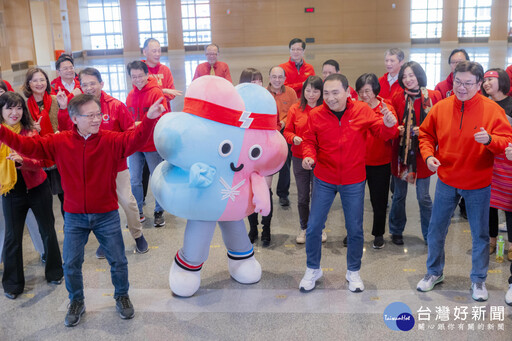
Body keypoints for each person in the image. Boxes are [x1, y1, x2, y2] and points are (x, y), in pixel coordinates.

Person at [0, 93, 166, 326]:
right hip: (75, 216)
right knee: (71, 263)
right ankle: (76, 301)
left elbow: (135, 139)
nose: (97, 119)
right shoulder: (59, 142)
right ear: (75, 118)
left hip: (106, 214)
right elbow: (27, 145)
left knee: (118, 261)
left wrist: (149, 118)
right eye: (91, 116)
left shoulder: (110, 140)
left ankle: (122, 296)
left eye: (98, 114)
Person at [417, 61, 512, 302]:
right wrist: (428, 156)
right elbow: (426, 134)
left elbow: (505, 141)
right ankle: (433, 272)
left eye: (468, 83)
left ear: (479, 84)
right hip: (447, 179)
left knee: (480, 234)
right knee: (436, 229)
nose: (462, 87)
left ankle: (478, 280)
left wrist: (490, 139)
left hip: (479, 182)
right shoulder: (441, 107)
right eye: (458, 82)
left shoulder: (492, 110)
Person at [299, 73, 397, 293]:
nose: (330, 98)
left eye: (335, 93)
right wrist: (309, 156)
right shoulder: (316, 114)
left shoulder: (361, 110)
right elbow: (308, 140)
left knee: (354, 229)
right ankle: (313, 268)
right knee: (313, 228)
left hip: (353, 180)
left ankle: (353, 271)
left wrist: (390, 125)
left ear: (347, 91)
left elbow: (382, 132)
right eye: (326, 93)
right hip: (324, 179)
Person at [58, 67, 149, 257]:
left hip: (117, 166)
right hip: (93, 169)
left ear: (101, 84)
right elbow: (68, 132)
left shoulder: (116, 105)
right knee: (101, 207)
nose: (89, 87)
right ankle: (105, 241)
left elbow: (131, 133)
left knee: (127, 201)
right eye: (84, 84)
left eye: (93, 83)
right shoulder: (77, 108)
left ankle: (138, 235)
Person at [0, 92, 63, 300]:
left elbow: (40, 162)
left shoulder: (29, 133)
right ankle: (12, 284)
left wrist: (22, 161)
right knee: (12, 238)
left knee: (47, 230)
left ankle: (55, 272)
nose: (14, 113)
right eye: (9, 108)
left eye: (18, 108)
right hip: (11, 193)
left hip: (37, 188)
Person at [388, 61, 442, 246]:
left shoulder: (433, 96)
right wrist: (398, 129)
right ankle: (396, 230)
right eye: (404, 76)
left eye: (411, 75)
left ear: (419, 75)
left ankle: (429, 234)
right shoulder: (397, 97)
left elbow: (440, 124)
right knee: (399, 195)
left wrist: (425, 130)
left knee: (424, 197)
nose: (408, 79)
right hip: (402, 154)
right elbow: (391, 124)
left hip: (423, 154)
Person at [355, 73, 397, 249]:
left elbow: (392, 133)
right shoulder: (355, 107)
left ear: (375, 90)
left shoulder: (386, 107)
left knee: (378, 201)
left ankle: (378, 234)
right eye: (360, 91)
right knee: (354, 200)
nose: (364, 95)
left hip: (380, 162)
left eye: (367, 91)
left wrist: (389, 123)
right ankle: (353, 233)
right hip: (357, 161)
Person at [283, 75, 326, 244]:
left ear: (321, 92)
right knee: (302, 197)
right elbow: (287, 132)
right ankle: (304, 227)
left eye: (315, 91)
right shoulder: (295, 109)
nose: (311, 94)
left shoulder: (325, 109)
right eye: (308, 90)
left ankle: (319, 228)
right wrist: (293, 138)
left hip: (320, 158)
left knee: (319, 195)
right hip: (299, 157)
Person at [126, 61, 169, 227]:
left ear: (147, 75)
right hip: (136, 144)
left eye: (140, 76)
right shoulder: (130, 95)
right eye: (134, 76)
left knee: (156, 178)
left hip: (151, 144)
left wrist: (140, 123)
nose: (137, 79)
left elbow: (160, 117)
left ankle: (159, 211)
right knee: (135, 179)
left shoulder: (156, 92)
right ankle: (138, 212)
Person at [22, 68, 67, 219]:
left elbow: (66, 124)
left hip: (57, 154)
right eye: (35, 80)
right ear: (28, 84)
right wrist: (31, 130)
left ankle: (70, 229)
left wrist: (64, 107)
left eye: (42, 80)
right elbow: (21, 133)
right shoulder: (24, 106)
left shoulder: (56, 100)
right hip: (39, 158)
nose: (39, 83)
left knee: (65, 198)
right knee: (44, 201)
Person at [240, 68, 275, 246]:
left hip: (265, 153)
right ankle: (253, 229)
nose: (257, 84)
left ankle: (266, 229)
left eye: (259, 81)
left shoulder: (267, 100)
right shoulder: (238, 102)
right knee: (249, 193)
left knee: (266, 191)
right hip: (246, 154)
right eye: (253, 81)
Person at [481, 68, 512, 259]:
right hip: (488, 159)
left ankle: (511, 245)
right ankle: (491, 240)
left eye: (490, 79)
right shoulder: (484, 104)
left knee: (509, 205)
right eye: (484, 80)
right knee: (489, 204)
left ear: (502, 81)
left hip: (508, 161)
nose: (486, 83)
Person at [267, 66, 298, 207]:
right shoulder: (264, 93)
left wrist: (284, 122)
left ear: (285, 79)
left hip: (284, 132)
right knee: (266, 163)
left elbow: (294, 112)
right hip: (267, 132)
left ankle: (283, 194)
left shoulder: (290, 92)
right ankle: (266, 191)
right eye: (274, 77)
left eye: (280, 77)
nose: (277, 80)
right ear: (269, 78)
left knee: (285, 164)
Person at [142, 38, 182, 108]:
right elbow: (141, 93)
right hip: (146, 111)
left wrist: (155, 97)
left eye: (159, 51)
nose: (157, 54)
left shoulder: (165, 69)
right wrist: (164, 91)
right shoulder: (140, 70)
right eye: (154, 51)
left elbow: (172, 93)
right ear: (145, 52)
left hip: (164, 111)